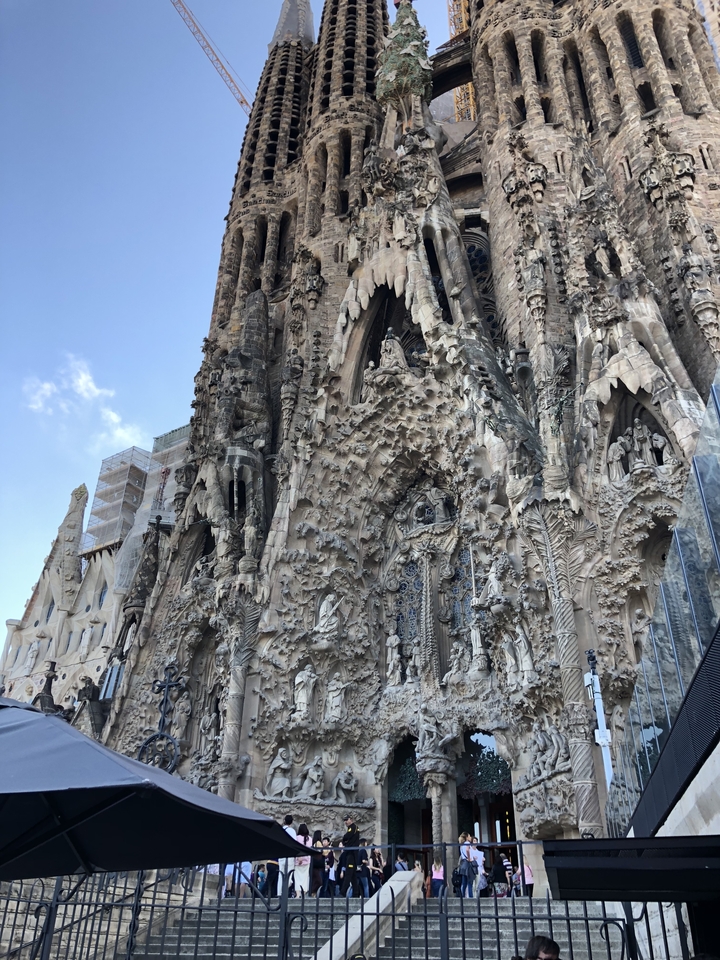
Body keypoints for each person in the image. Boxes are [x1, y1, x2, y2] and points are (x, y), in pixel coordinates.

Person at [340, 815, 361, 897]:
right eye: (344, 820)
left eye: (347, 820)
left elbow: (346, 837)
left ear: (351, 820)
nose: (345, 822)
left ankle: (342, 892)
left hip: (351, 853)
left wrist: (344, 841)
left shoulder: (353, 827)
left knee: (348, 874)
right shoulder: (354, 828)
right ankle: (356, 893)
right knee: (353, 875)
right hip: (351, 853)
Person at [279, 814, 297, 896]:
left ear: (284, 821)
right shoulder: (292, 831)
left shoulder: (280, 830)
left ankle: (279, 893)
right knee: (289, 874)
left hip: (281, 854)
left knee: (281, 874)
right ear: (291, 822)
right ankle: (285, 891)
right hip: (289, 855)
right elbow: (294, 844)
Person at [294, 823, 312, 896]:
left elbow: (296, 848)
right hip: (307, 860)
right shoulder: (310, 839)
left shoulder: (297, 837)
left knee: (297, 879)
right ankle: (304, 894)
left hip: (298, 860)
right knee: (305, 878)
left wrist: (299, 857)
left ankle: (298, 894)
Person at [459, 834, 475, 899]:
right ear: (467, 837)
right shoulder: (467, 843)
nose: (470, 837)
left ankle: (462, 896)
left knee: (464, 882)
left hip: (463, 864)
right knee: (469, 881)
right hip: (468, 863)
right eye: (469, 836)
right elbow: (467, 850)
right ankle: (471, 896)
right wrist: (469, 858)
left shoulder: (461, 845)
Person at [311, 830, 325, 896]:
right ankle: (313, 893)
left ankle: (313, 893)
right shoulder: (318, 843)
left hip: (314, 864)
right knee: (319, 881)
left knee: (315, 880)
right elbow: (324, 852)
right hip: (317, 863)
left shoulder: (314, 843)